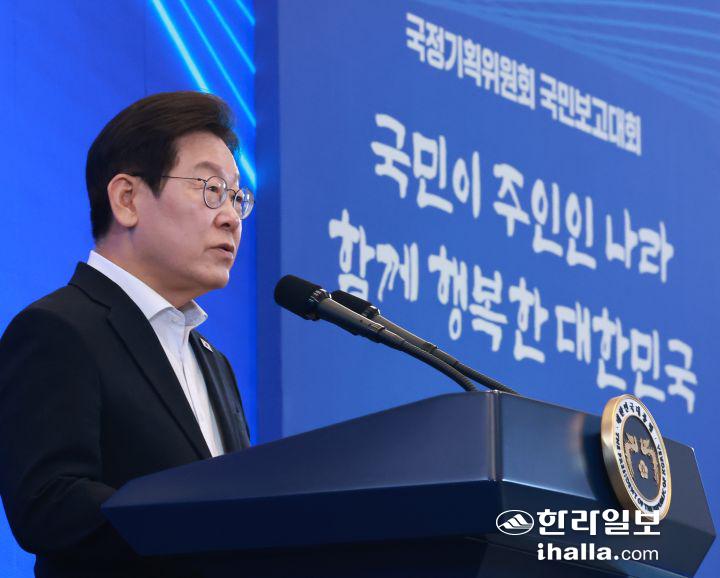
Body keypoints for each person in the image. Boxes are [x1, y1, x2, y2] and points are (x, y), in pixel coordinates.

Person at [0, 91, 254, 578]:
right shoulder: (58, 328)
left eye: (237, 198)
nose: (230, 217)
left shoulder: (213, 361)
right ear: (127, 199)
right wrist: (206, 526)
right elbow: (49, 504)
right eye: (211, 189)